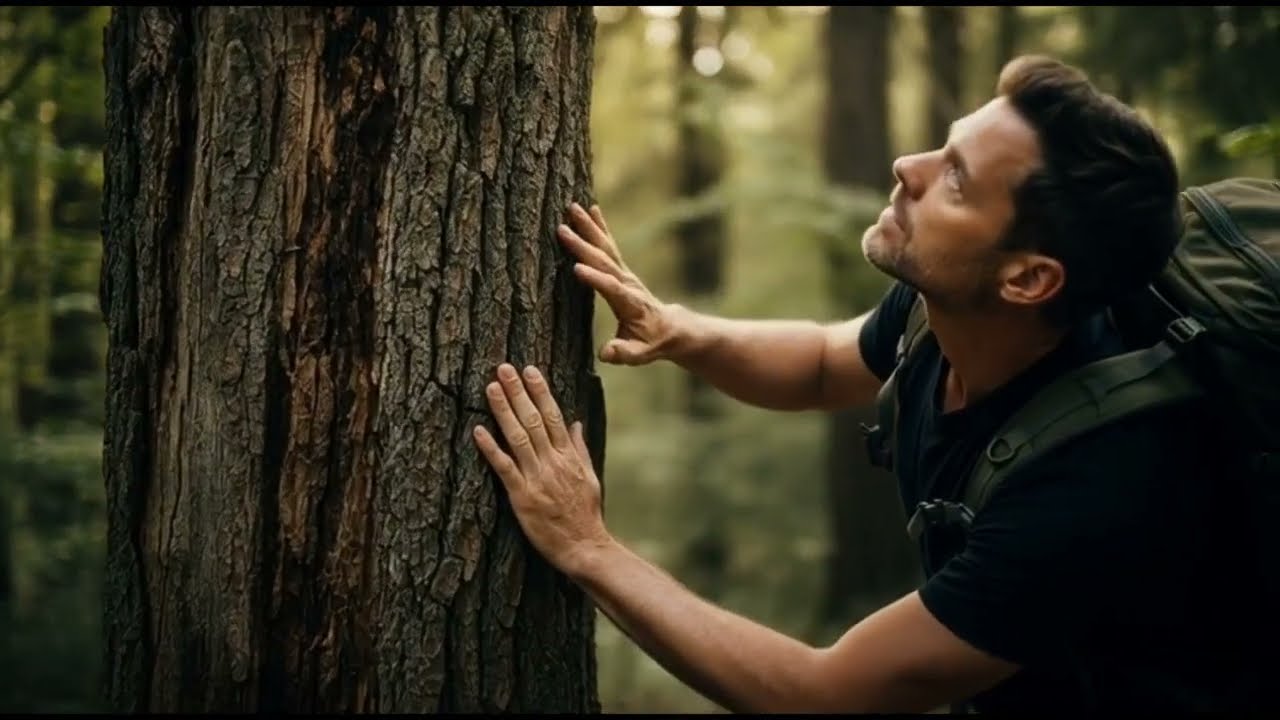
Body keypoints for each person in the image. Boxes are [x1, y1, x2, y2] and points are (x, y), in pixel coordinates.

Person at [470, 55, 1262, 713]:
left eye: (956, 181)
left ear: (1028, 279)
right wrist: (681, 330)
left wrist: (588, 548)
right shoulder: (952, 309)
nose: (907, 168)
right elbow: (823, 361)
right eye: (942, 149)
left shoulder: (1095, 489)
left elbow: (824, 695)